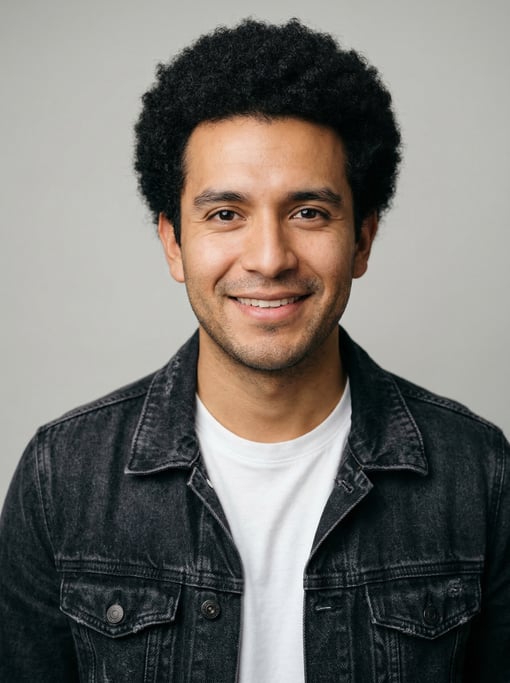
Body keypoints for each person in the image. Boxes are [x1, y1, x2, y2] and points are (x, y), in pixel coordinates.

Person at [0, 18, 508, 683]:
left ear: (361, 240)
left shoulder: (479, 476)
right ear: (173, 243)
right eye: (225, 213)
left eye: (309, 212)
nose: (269, 258)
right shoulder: (61, 478)